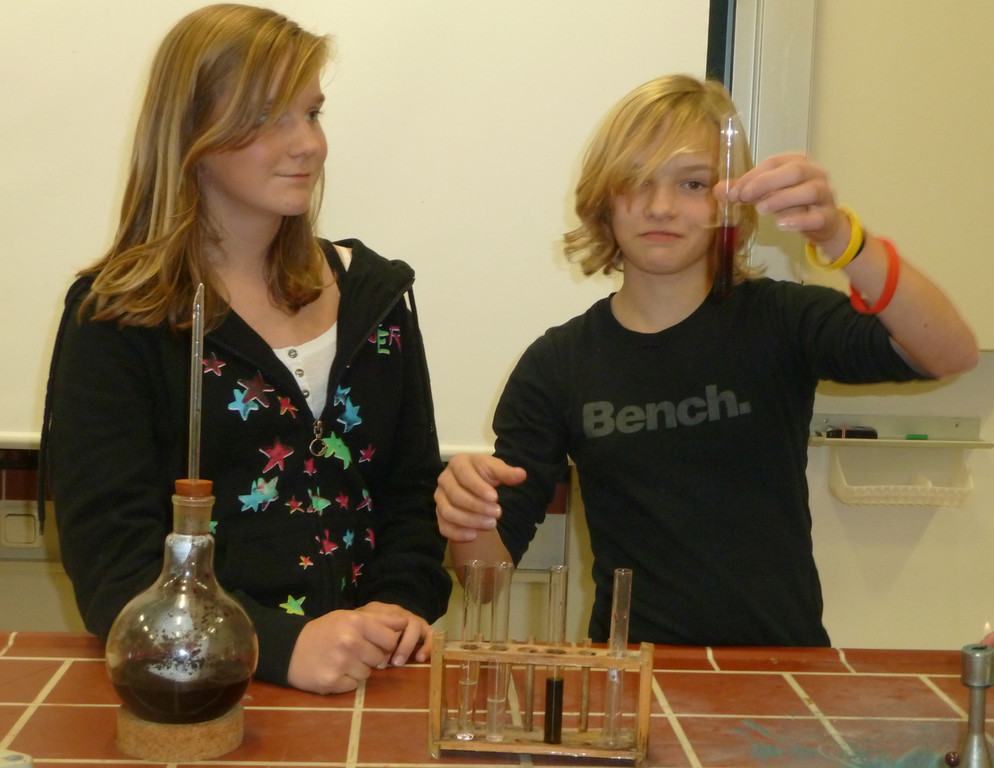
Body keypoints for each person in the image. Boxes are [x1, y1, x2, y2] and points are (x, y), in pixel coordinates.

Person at [435, 74, 978, 648]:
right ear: (604, 200)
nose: (661, 207)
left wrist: (842, 238)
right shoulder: (557, 364)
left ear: (730, 204)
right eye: (637, 182)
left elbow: (949, 351)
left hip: (781, 670)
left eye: (692, 183)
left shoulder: (780, 321)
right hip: (632, 675)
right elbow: (484, 584)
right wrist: (467, 514)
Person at [37, 4, 451, 694]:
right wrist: (280, 647)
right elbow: (114, 567)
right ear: (192, 133)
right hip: (203, 688)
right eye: (267, 117)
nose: (308, 144)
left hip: (373, 676)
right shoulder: (118, 318)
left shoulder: (374, 296)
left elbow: (410, 495)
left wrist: (397, 608)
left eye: (312, 113)